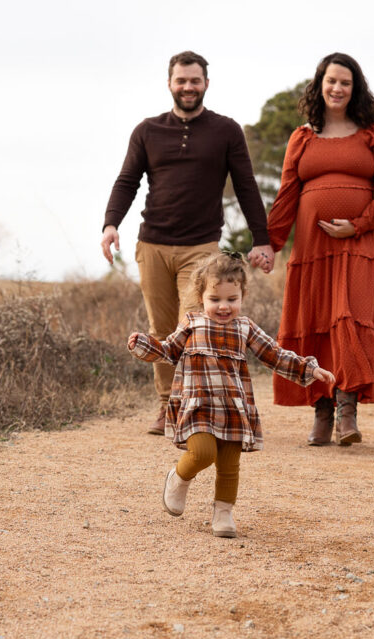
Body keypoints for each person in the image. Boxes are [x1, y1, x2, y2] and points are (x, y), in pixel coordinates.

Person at [101, 50, 275, 435]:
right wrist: (111, 223)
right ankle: (167, 406)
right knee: (162, 331)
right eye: (181, 80)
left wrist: (262, 240)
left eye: (195, 80)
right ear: (169, 84)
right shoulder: (147, 131)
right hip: (153, 246)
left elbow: (246, 186)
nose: (188, 87)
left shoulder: (226, 131)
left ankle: (193, 405)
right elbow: (127, 181)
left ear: (206, 84)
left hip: (201, 248)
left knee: (195, 328)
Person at [127, 252, 334, 538]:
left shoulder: (245, 327)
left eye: (231, 299)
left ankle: (223, 512)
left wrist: (309, 369)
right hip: (198, 405)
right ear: (201, 297)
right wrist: (143, 345)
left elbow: (275, 355)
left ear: (242, 295)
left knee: (228, 465)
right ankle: (179, 477)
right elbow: (167, 351)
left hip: (233, 409)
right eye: (215, 300)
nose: (224, 307)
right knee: (202, 453)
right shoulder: (192, 324)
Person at [265, 53, 374, 447]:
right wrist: (270, 244)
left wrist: (358, 225)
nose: (337, 88)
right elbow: (288, 194)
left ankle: (346, 407)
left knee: (351, 316)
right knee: (319, 321)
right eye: (331, 81)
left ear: (355, 88)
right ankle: (322, 409)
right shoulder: (302, 137)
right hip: (313, 246)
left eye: (345, 82)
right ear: (319, 85)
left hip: (362, 242)